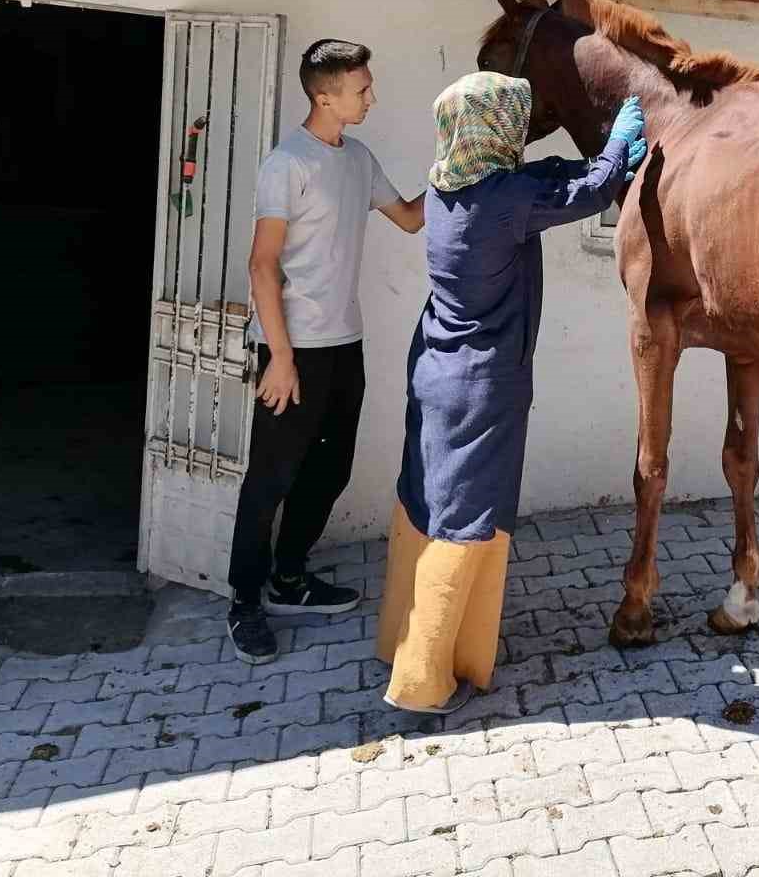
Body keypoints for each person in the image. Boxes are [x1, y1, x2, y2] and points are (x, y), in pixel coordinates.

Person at [376, 72, 646, 714]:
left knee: (423, 503)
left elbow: (545, 176)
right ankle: (421, 681)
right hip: (480, 387)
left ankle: (404, 640)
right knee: (466, 520)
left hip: (435, 370)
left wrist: (596, 160)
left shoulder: (447, 188)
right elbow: (588, 189)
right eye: (515, 120)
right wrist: (619, 146)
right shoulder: (506, 199)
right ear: (497, 129)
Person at [227, 40, 426, 665]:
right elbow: (262, 266)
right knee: (270, 479)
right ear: (325, 96)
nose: (371, 97)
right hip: (293, 352)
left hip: (345, 344)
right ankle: (244, 601)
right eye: (361, 89)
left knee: (331, 469)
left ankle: (289, 578)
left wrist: (464, 166)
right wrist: (280, 357)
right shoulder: (288, 163)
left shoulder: (358, 158)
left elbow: (412, 219)